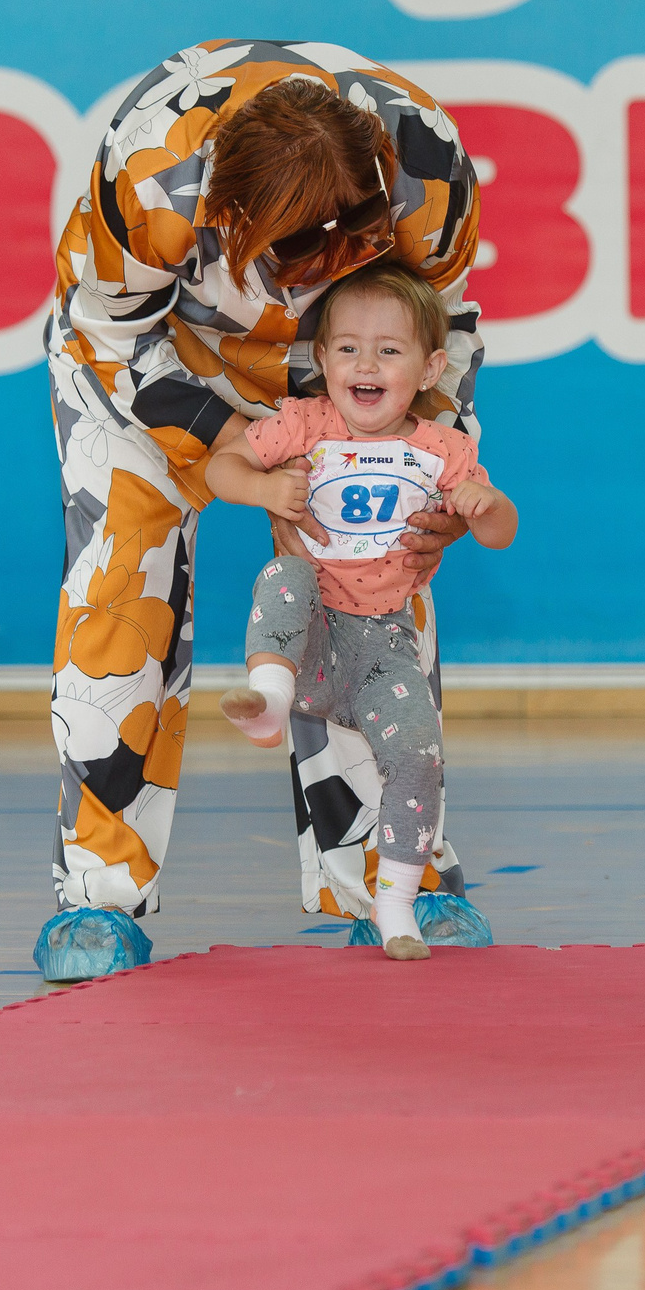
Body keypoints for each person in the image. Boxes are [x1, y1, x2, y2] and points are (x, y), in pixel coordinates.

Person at [41, 40, 487, 981]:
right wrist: (246, 467)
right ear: (226, 215)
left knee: (377, 581)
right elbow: (109, 333)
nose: (328, 268)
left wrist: (428, 478)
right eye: (299, 252)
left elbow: (440, 327)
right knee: (121, 589)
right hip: (155, 365)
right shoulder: (152, 170)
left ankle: (393, 880)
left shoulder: (431, 164)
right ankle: (99, 898)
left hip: (353, 372)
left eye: (354, 238)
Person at [207, 262, 517, 959]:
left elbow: (504, 529)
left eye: (388, 349)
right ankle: (269, 698)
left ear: (431, 366)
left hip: (384, 650)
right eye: (347, 348)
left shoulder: (440, 447)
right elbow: (220, 468)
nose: (365, 363)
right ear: (322, 361)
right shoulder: (306, 423)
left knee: (418, 756)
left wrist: (484, 506)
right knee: (283, 574)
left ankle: (398, 904)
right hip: (313, 637)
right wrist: (264, 491)